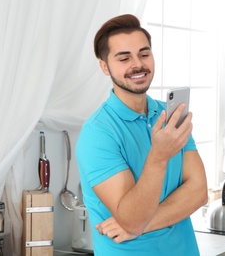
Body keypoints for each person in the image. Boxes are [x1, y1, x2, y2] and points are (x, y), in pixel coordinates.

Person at [75, 14, 208, 256]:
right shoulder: (97, 133)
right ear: (105, 67)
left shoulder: (169, 116)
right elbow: (131, 218)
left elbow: (198, 193)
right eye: (124, 58)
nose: (138, 64)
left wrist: (138, 227)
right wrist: (159, 155)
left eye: (144, 54)